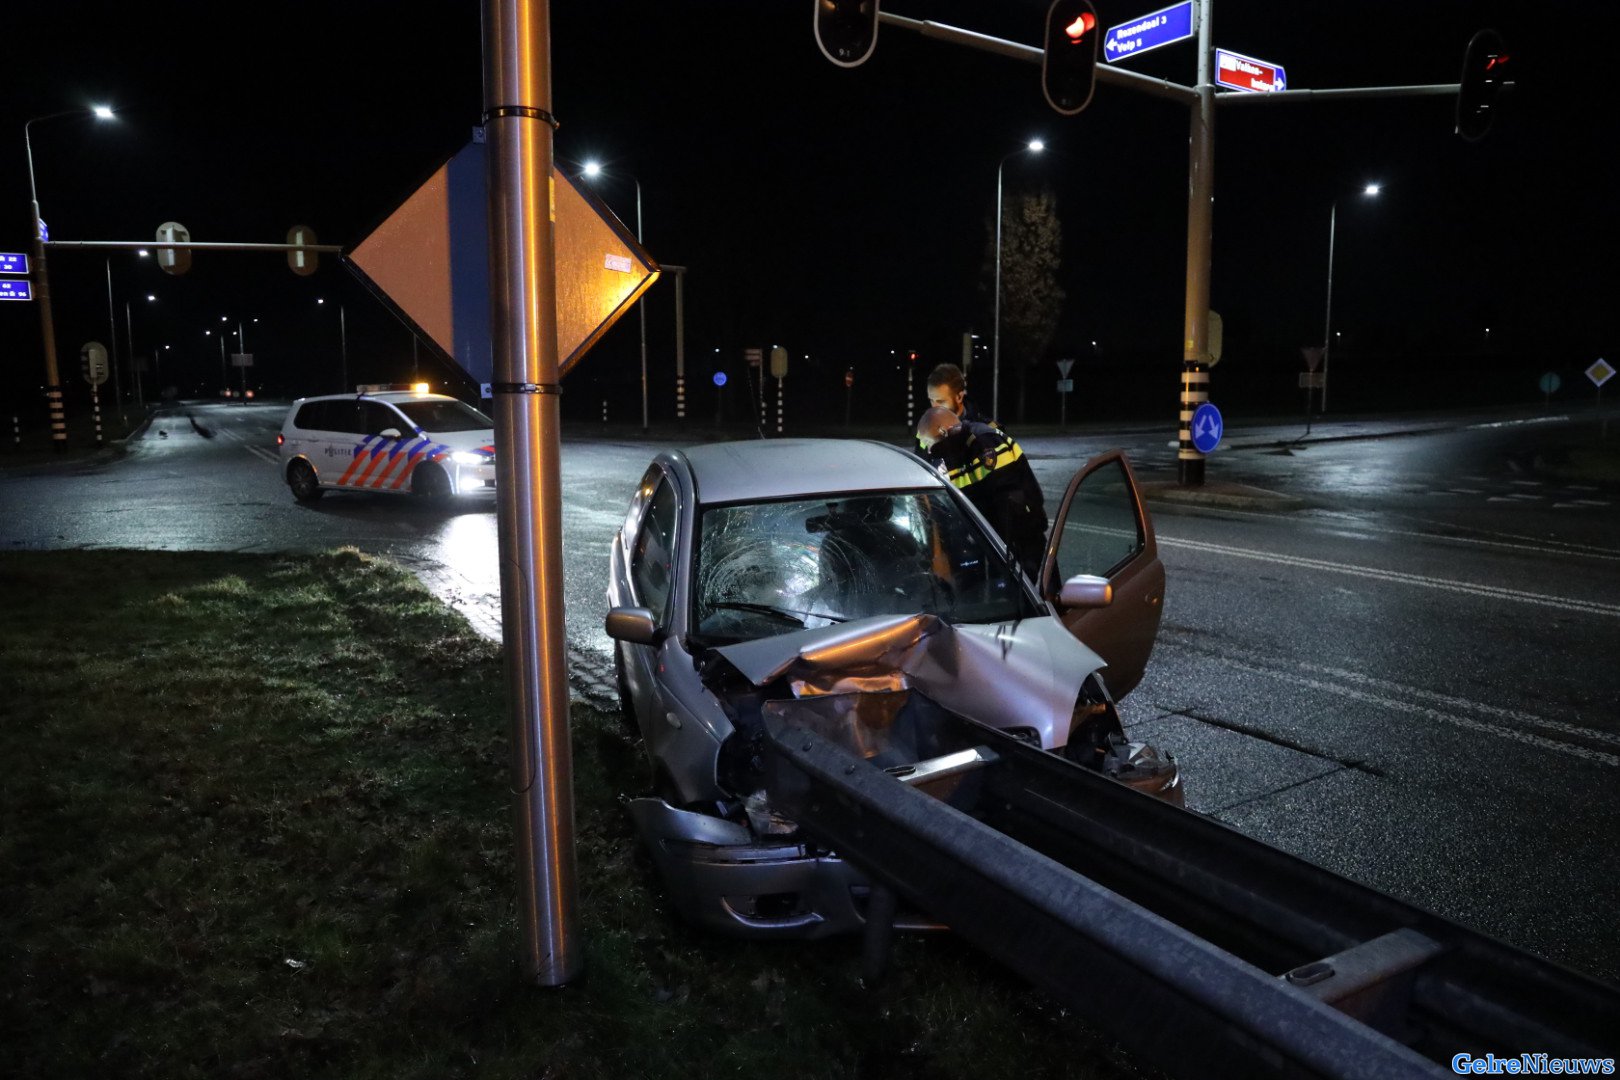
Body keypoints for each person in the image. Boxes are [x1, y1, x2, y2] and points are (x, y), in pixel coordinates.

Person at [916, 406, 1048, 583]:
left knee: (1019, 597)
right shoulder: (954, 451)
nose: (932, 453)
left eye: (933, 447)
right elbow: (948, 507)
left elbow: (1008, 507)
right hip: (988, 547)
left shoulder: (986, 442)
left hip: (1017, 545)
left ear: (944, 432)